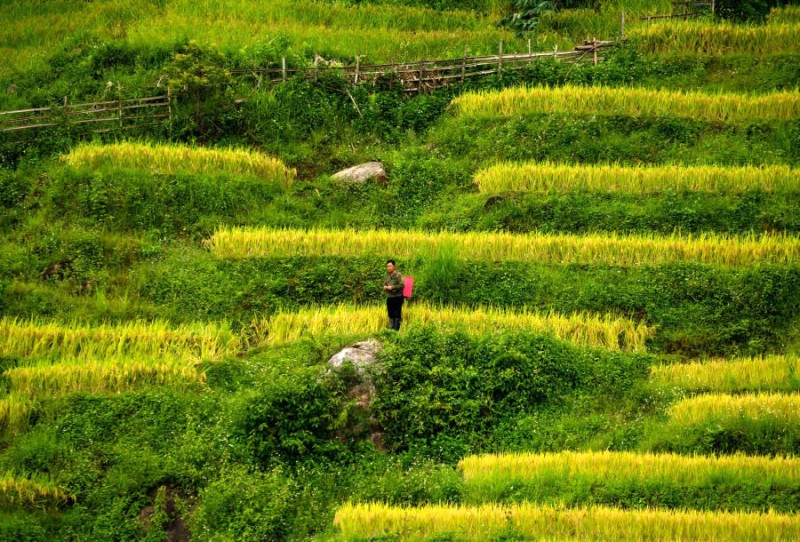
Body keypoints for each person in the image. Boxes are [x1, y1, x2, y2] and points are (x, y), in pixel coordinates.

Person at [383, 259, 404, 331]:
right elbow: (385, 284)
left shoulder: (398, 275)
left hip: (397, 297)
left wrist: (392, 287)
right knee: (390, 314)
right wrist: (385, 287)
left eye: (390, 266)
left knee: (397, 314)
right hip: (390, 297)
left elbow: (402, 285)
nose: (388, 268)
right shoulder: (387, 276)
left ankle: (396, 331)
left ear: (394, 266)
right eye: (387, 266)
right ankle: (391, 330)